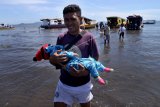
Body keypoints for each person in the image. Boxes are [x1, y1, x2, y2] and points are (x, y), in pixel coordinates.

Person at [49, 4, 99, 107]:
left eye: (73, 19)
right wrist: (52, 59)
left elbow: (95, 60)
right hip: (64, 84)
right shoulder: (61, 37)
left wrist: (84, 72)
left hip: (83, 85)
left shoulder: (89, 37)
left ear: (80, 19)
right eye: (66, 20)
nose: (69, 23)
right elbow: (57, 61)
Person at [33, 44, 114, 85]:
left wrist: (84, 72)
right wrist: (71, 54)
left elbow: (95, 57)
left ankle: (103, 68)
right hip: (71, 65)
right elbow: (65, 54)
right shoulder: (55, 52)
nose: (52, 45)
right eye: (50, 46)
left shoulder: (88, 36)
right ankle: (97, 77)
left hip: (76, 63)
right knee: (90, 64)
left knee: (91, 60)